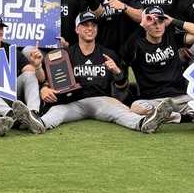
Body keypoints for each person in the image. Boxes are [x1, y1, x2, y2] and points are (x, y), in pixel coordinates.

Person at [35, 13, 174, 134]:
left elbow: (123, 87)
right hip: (74, 103)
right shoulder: (67, 54)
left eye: (93, 25)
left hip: (102, 100)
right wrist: (45, 88)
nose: (90, 28)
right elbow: (53, 81)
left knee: (121, 113)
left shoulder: (108, 54)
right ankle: (39, 124)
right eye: (85, 25)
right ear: (77, 29)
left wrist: (117, 72)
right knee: (57, 112)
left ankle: (144, 123)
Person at [119, 6, 194, 122]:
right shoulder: (137, 45)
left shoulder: (172, 37)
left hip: (180, 98)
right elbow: (123, 54)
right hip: (154, 101)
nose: (158, 26)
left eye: (160, 21)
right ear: (145, 24)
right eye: (152, 22)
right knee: (136, 107)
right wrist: (142, 24)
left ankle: (170, 116)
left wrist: (173, 20)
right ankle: (181, 117)